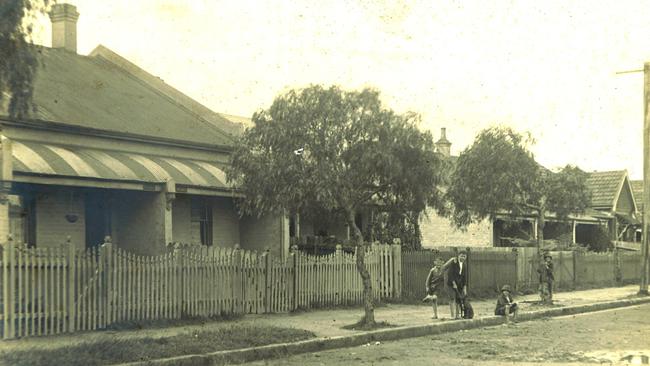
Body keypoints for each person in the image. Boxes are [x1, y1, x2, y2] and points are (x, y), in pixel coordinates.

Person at [446, 250, 468, 320]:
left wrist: (464, 287)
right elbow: (450, 273)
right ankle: (452, 316)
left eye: (464, 256)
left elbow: (464, 277)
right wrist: (453, 283)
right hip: (451, 284)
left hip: (459, 284)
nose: (463, 258)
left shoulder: (464, 265)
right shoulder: (454, 262)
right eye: (461, 256)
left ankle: (457, 315)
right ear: (458, 256)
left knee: (458, 299)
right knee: (452, 298)